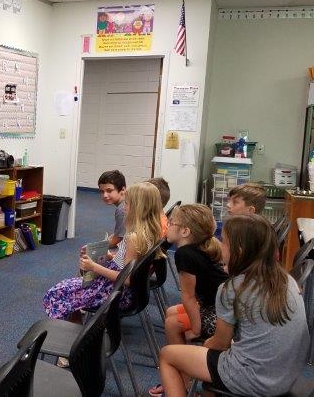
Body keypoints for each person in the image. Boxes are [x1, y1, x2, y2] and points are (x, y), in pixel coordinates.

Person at [158, 214, 309, 397]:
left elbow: (219, 344)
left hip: (254, 379)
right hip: (288, 374)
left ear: (239, 250)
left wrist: (204, 344)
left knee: (168, 355)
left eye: (224, 242)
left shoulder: (232, 288)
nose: (220, 247)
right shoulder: (286, 279)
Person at [43, 182, 163, 321]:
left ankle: (78, 335)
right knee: (66, 290)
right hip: (117, 288)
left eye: (128, 203)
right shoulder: (148, 233)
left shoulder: (134, 238)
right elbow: (128, 265)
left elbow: (128, 279)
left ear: (139, 208)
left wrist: (94, 267)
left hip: (116, 292)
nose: (124, 207)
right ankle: (77, 331)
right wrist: (110, 257)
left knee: (57, 293)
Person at [148, 204, 227, 397]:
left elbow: (189, 297)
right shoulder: (193, 248)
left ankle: (181, 383)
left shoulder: (184, 254)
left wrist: (196, 329)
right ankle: (182, 378)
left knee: (173, 323)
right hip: (217, 305)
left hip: (220, 312)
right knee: (171, 313)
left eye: (171, 222)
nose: (167, 226)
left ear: (185, 231)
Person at [98, 170, 127, 248]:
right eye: (102, 191)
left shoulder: (122, 209)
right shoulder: (128, 201)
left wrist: (100, 247)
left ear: (123, 190)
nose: (105, 195)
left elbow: (118, 240)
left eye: (109, 191)